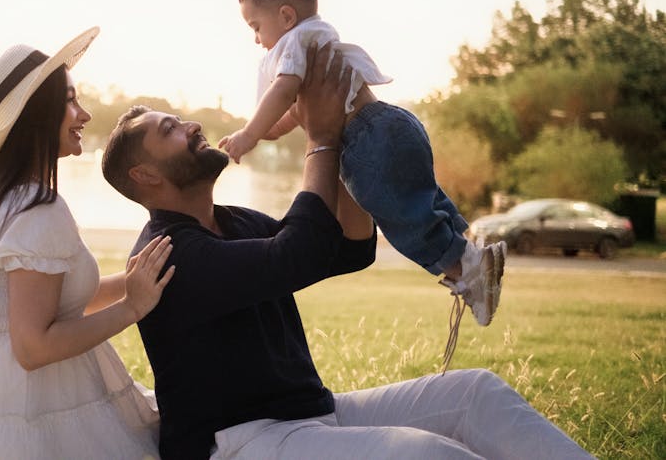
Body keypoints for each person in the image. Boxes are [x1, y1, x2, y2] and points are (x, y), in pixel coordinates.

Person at [102, 43, 591, 459]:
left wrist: (352, 131)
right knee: (421, 454)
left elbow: (347, 249)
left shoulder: (234, 221)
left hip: (310, 414)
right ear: (145, 177)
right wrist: (321, 138)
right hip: (238, 443)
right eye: (169, 130)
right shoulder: (169, 253)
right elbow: (297, 254)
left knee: (475, 394)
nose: (190, 126)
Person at [219, 0, 507, 366]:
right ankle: (472, 252)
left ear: (285, 15)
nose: (256, 39)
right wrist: (271, 130)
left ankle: (468, 269)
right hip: (394, 122)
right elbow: (293, 113)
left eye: (255, 27)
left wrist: (250, 134)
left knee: (401, 219)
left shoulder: (295, 42)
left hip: (365, 139)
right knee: (422, 201)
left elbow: (284, 93)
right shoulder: (316, 37)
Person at [0, 27, 174, 459]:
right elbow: (33, 347)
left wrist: (135, 279)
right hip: (39, 416)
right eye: (69, 100)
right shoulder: (39, 208)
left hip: (12, 403)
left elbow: (57, 299)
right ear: (36, 113)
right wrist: (131, 309)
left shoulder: (3, 199)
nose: (83, 114)